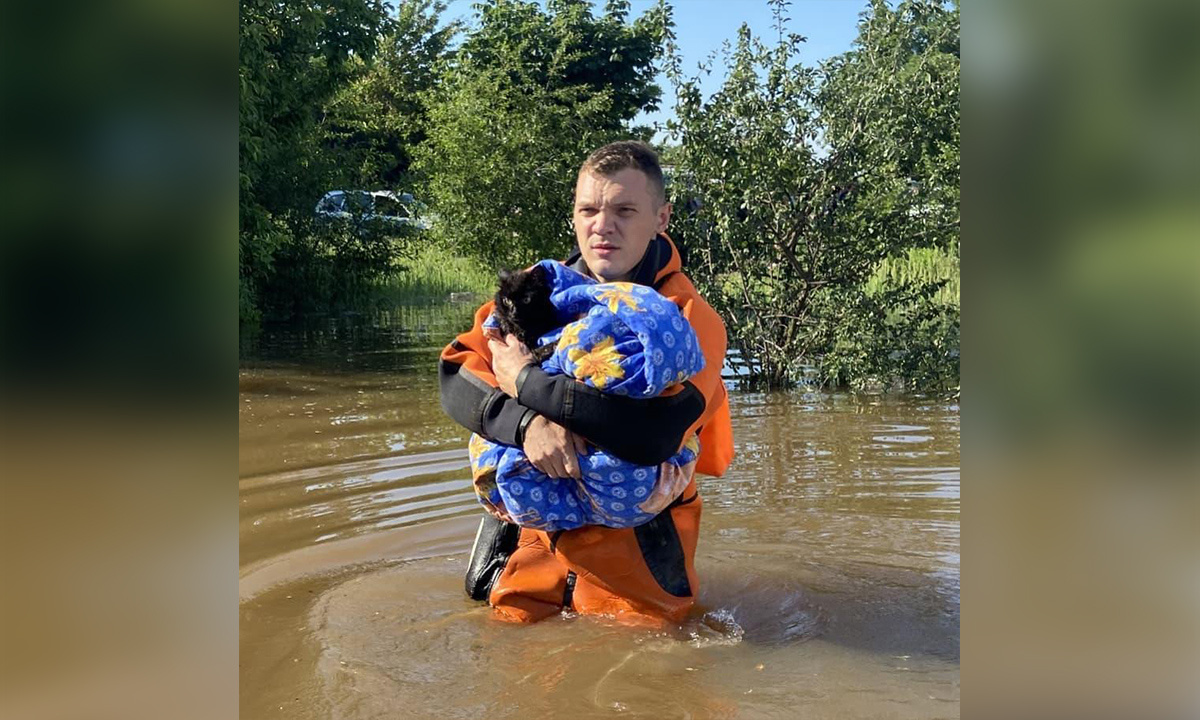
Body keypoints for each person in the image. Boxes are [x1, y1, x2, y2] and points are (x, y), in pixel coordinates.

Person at [439, 140, 734, 624]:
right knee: (511, 656)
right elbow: (454, 376)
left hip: (638, 548)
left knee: (649, 663)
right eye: (589, 209)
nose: (603, 226)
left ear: (661, 218)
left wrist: (528, 383)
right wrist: (528, 427)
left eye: (624, 210)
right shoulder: (534, 292)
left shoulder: (689, 320)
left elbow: (654, 435)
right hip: (531, 541)